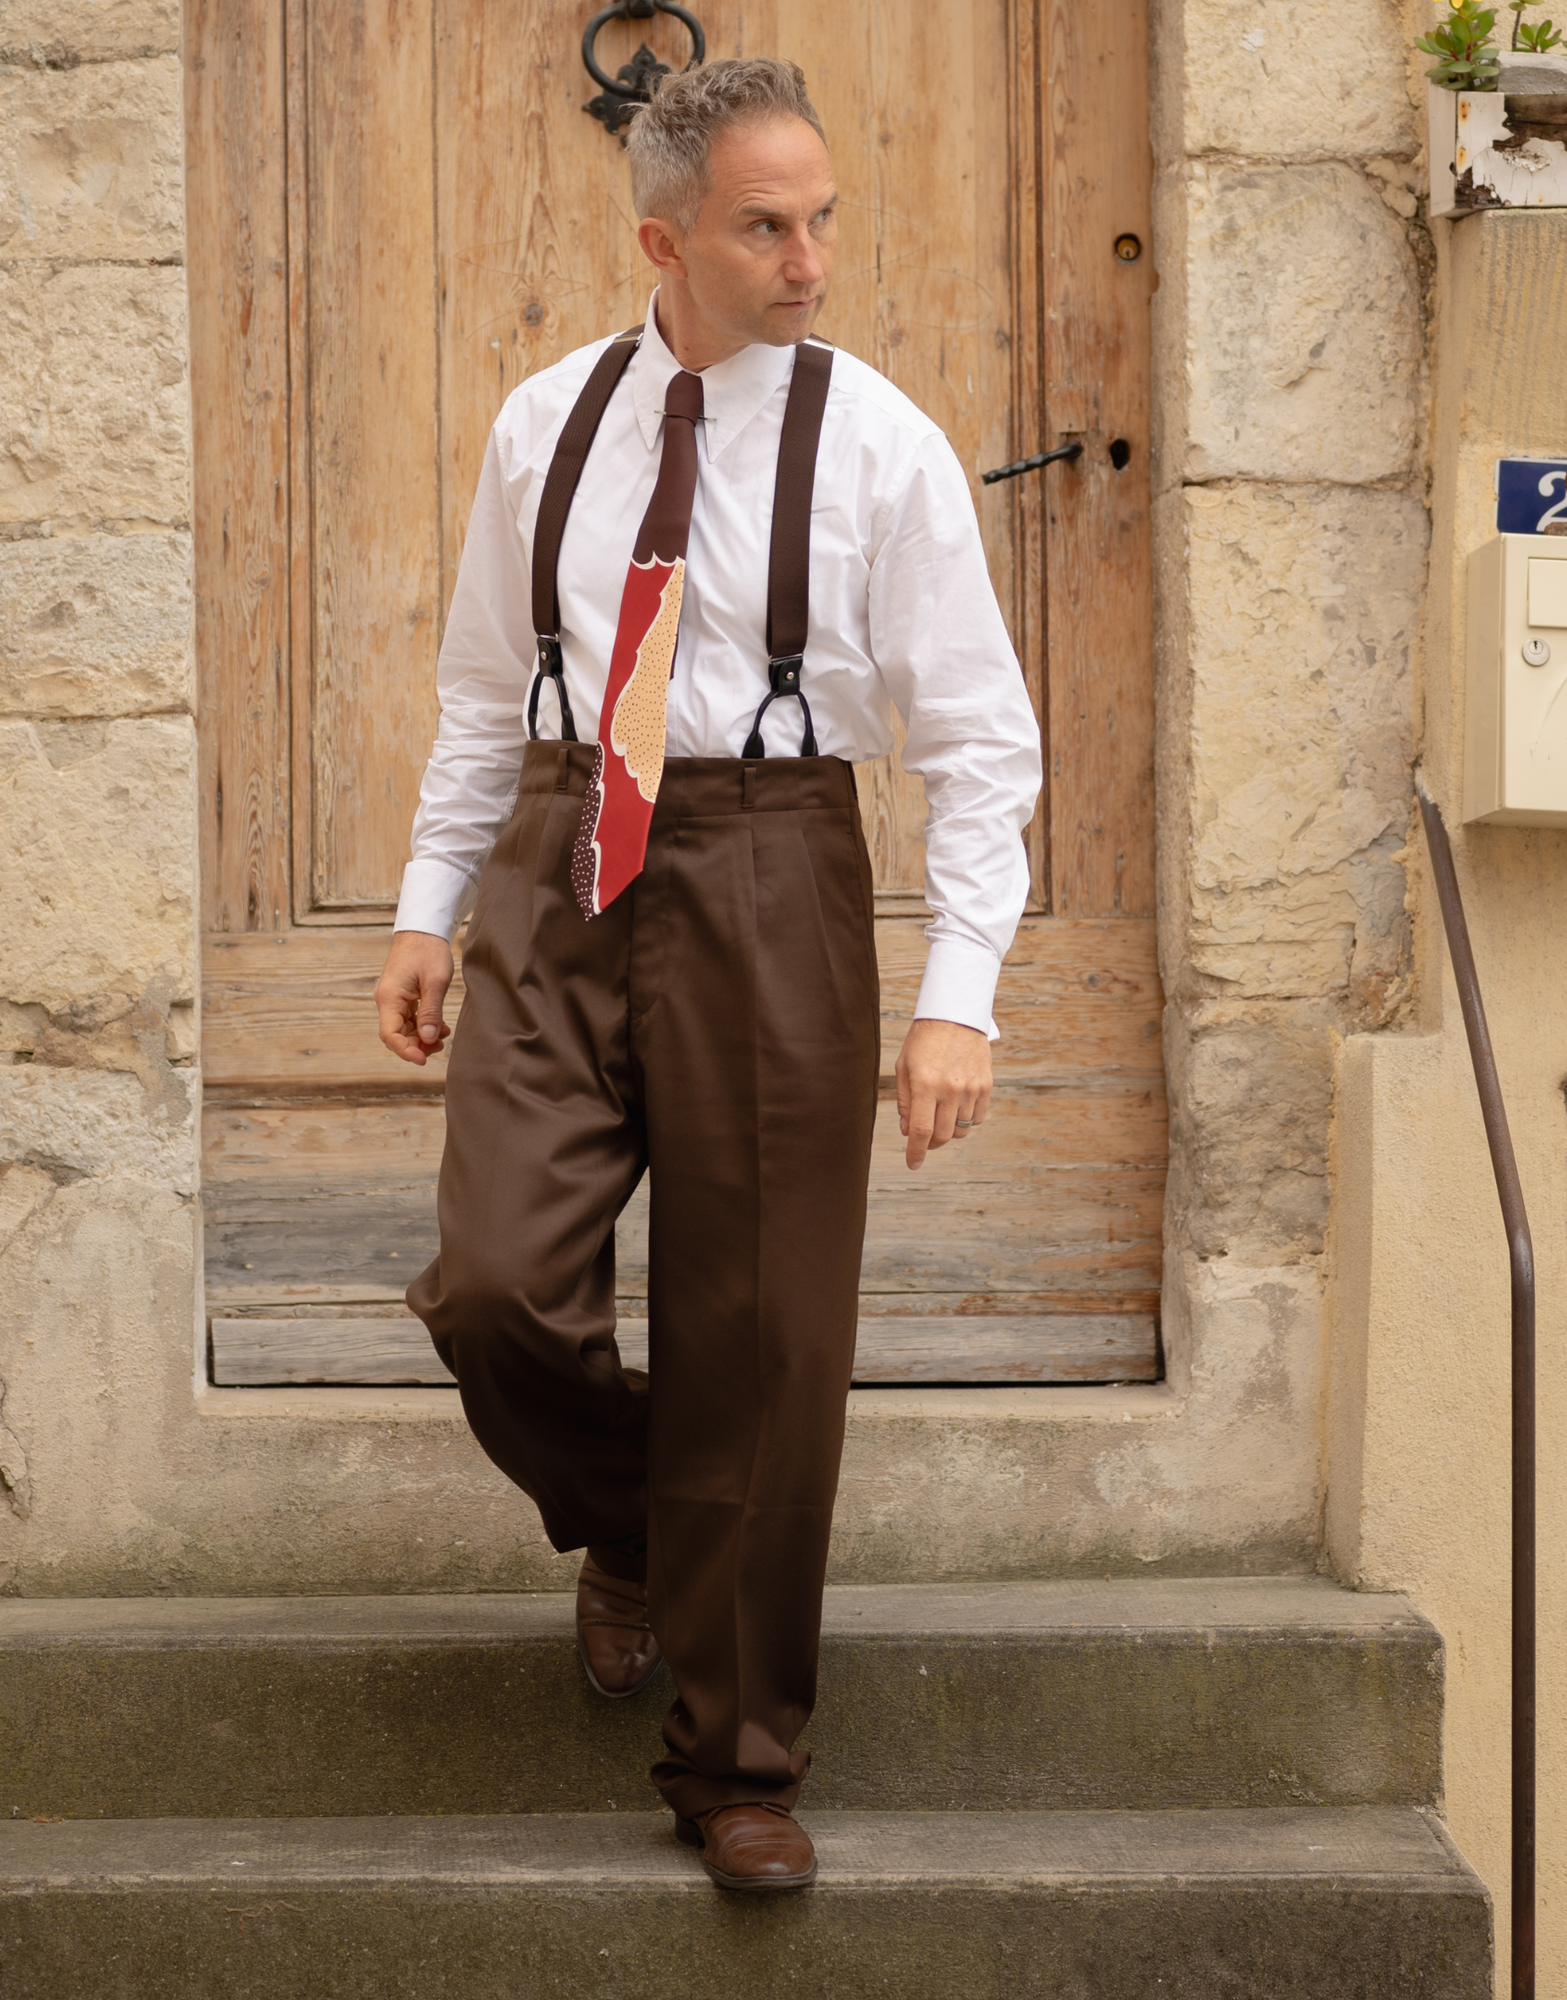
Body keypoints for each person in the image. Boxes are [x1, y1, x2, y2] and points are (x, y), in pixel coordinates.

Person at [374, 57, 1041, 1893]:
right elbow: (469, 685)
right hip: (562, 842)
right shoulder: (546, 422)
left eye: (822, 215)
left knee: (764, 1341)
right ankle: (639, 1528)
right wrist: (431, 901)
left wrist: (958, 989)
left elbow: (983, 743)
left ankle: (739, 1764)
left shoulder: (883, 445)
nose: (810, 257)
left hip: (769, 857)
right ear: (666, 236)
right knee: (494, 1286)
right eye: (767, 225)